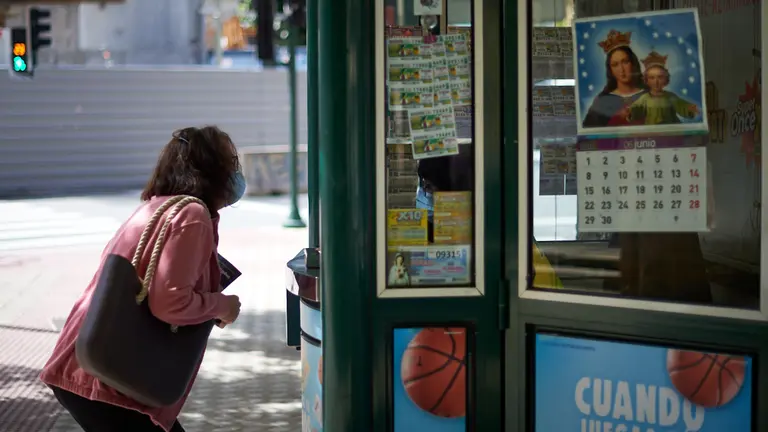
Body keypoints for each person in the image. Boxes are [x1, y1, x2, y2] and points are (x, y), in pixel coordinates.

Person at [39, 126, 245, 432]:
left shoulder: (156, 207)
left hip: (91, 366)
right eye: (231, 163)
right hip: (112, 382)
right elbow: (171, 303)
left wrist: (203, 306)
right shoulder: (191, 215)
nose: (236, 173)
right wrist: (222, 305)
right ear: (211, 169)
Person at [582, 30, 647, 128]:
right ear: (610, 70)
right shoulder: (602, 101)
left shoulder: (649, 95)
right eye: (615, 65)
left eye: (625, 62)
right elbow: (589, 132)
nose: (621, 69)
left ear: (633, 63)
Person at [627, 50, 699, 125]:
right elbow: (637, 108)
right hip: (652, 128)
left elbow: (681, 105)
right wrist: (631, 112)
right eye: (652, 78)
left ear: (665, 79)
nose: (656, 81)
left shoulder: (670, 97)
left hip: (670, 128)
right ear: (646, 80)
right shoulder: (644, 98)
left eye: (660, 77)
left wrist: (689, 109)